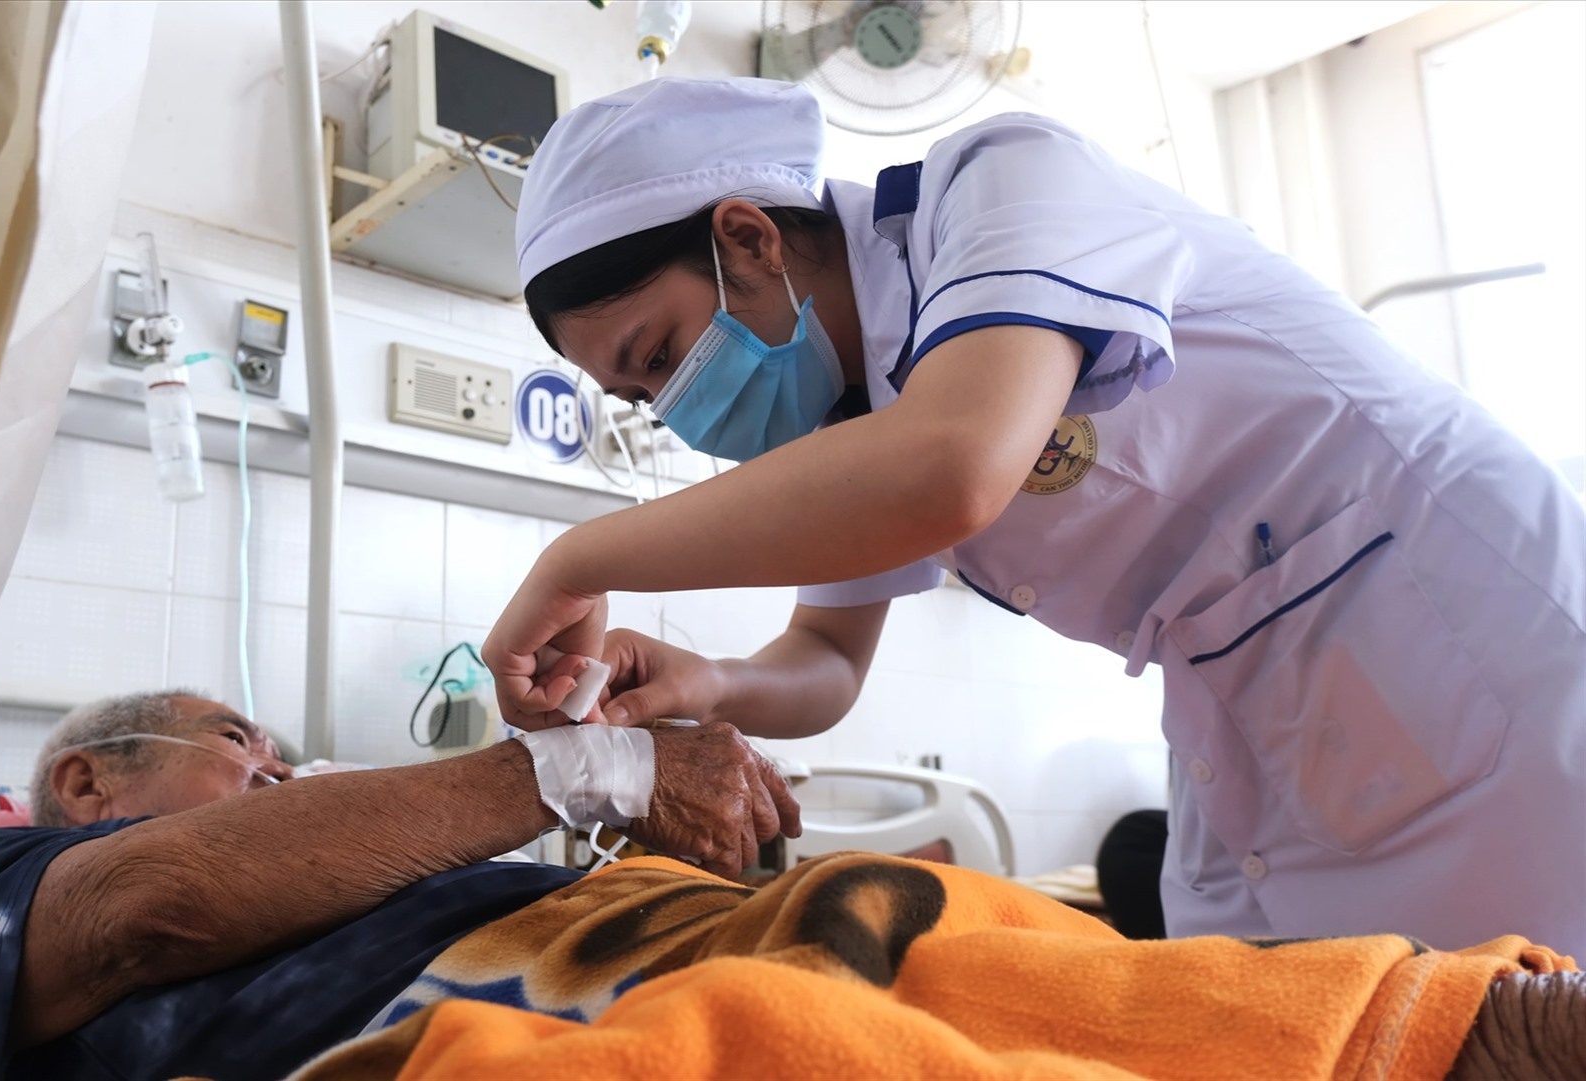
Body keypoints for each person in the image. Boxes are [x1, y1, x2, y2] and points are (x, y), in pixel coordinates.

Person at [480, 77, 1586, 955]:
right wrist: (710, 682)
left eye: (662, 354)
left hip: (1443, 614)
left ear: (750, 239)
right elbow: (827, 661)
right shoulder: (845, 420)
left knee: (1515, 1005)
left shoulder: (1000, 188)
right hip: (1244, 700)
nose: (675, 408)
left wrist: (579, 558)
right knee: (1272, 1014)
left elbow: (953, 467)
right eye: (642, 397)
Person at [0, 689, 798, 1079]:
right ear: (88, 784)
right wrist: (591, 767)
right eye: (236, 739)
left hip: (721, 959)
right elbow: (143, 907)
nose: (279, 769)